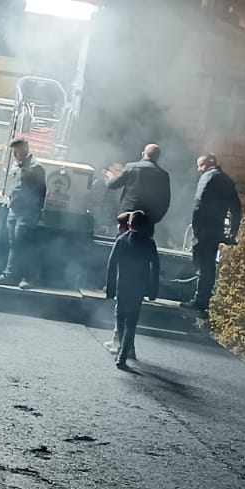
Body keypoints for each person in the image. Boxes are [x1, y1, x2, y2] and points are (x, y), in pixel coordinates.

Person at [179, 153, 243, 320]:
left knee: (201, 264)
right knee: (209, 265)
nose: (198, 169)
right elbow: (236, 207)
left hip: (204, 228)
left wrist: (196, 226)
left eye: (200, 165)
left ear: (208, 163)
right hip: (217, 229)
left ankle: (199, 300)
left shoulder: (207, 177)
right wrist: (233, 231)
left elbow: (199, 203)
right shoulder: (227, 180)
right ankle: (205, 299)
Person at [105, 210, 160, 368]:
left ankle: (122, 350)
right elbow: (155, 268)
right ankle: (123, 355)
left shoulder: (122, 240)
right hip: (139, 288)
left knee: (120, 318)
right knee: (132, 322)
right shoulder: (150, 243)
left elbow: (111, 265)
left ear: (129, 225)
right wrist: (153, 291)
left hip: (123, 285)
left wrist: (110, 289)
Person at [0, 137, 46, 288]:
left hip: (28, 212)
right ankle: (10, 275)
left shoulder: (36, 168)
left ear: (26, 149)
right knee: (14, 244)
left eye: (17, 151)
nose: (15, 155)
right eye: (14, 152)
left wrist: (36, 212)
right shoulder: (16, 166)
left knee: (25, 244)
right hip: (14, 210)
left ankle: (29, 277)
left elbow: (41, 192)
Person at [106, 142, 172, 233]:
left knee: (123, 240)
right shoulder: (163, 175)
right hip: (148, 217)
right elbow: (165, 200)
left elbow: (112, 185)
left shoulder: (131, 167)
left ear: (143, 154)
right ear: (157, 157)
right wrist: (155, 218)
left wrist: (110, 177)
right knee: (143, 244)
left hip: (127, 214)